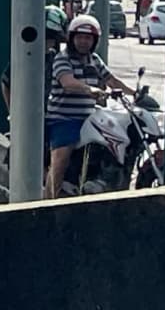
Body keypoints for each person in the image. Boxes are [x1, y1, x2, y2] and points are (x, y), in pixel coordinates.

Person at [47, 13, 132, 197]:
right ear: (71, 39)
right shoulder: (63, 59)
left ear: (94, 41)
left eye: (88, 38)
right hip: (65, 118)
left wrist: (134, 93)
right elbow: (68, 82)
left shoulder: (94, 60)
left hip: (90, 118)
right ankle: (48, 202)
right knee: (60, 159)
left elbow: (111, 80)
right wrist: (90, 89)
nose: (83, 42)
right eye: (80, 37)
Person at [1, 5, 67, 113]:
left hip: (51, 115)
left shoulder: (56, 57)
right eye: (46, 35)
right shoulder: (25, 56)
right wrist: (12, 112)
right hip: (27, 113)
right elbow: (6, 82)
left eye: (52, 37)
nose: (49, 40)